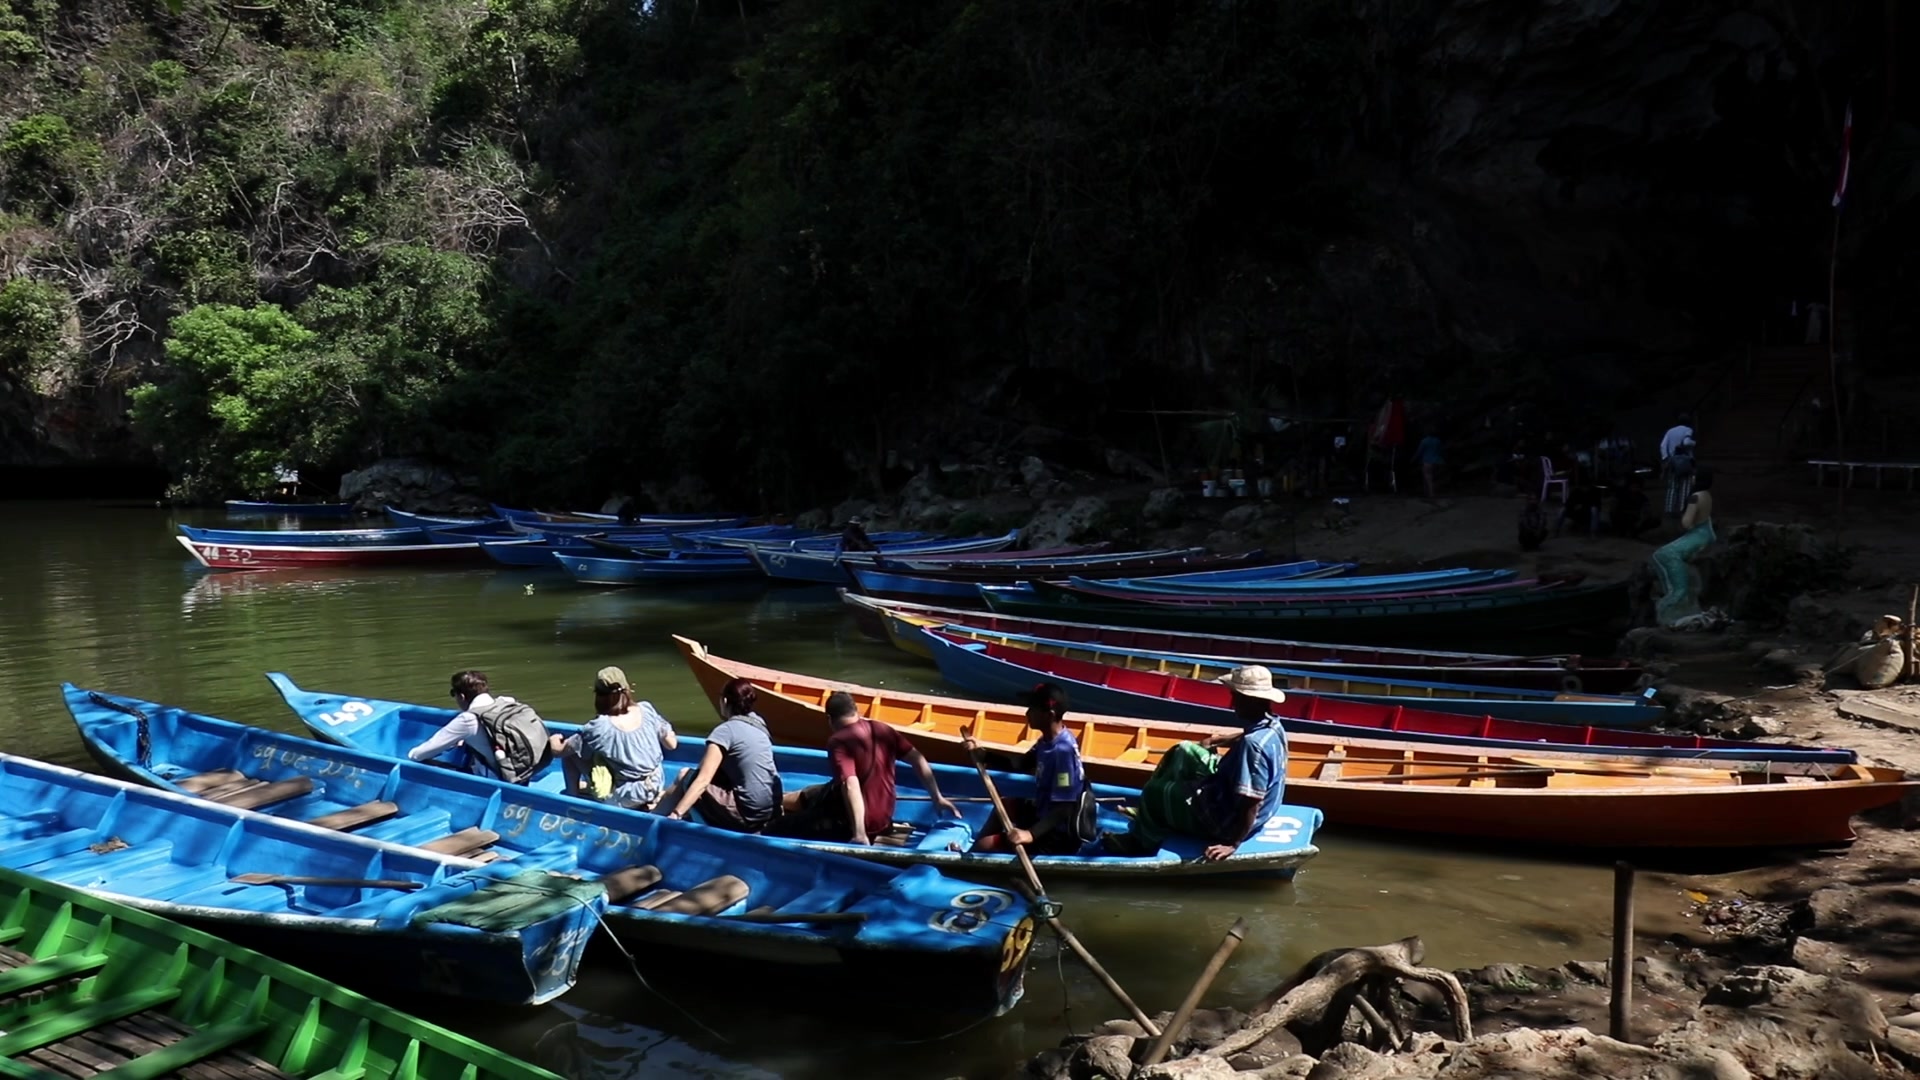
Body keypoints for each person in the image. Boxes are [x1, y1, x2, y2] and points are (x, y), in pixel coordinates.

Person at [1106, 666, 1289, 861]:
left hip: (1229, 820)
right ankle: (1154, 813)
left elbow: (1251, 802)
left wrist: (1232, 844)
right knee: (1184, 750)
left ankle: (1141, 841)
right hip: (1236, 796)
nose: (1232, 703)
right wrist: (1221, 739)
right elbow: (1249, 734)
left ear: (1249, 700)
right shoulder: (1273, 726)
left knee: (1154, 791)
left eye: (1236, 697)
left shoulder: (1252, 746)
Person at [774, 691, 960, 844]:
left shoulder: (839, 741)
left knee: (778, 827)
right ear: (857, 711)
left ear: (830, 719)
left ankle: (771, 813)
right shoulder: (882, 729)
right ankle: (780, 801)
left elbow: (851, 785)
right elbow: (918, 759)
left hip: (856, 821)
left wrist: (860, 833)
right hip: (883, 815)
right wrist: (937, 797)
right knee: (814, 792)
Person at [968, 684, 1088, 855]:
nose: (1027, 713)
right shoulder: (1046, 741)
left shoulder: (1062, 752)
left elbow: (1065, 806)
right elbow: (1021, 764)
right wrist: (985, 756)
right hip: (1043, 810)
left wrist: (1031, 834)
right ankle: (973, 852)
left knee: (985, 846)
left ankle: (977, 853)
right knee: (1005, 805)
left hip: (1058, 833)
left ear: (1050, 714)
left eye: (1032, 709)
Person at [660, 678, 781, 833]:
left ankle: (651, 818)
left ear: (724, 701)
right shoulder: (759, 724)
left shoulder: (725, 731)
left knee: (686, 776)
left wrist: (676, 814)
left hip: (747, 816)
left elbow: (703, 780)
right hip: (771, 811)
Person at [551, 666, 678, 810]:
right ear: (627, 689)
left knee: (572, 753)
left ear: (598, 696)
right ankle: (643, 797)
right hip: (655, 783)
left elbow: (558, 751)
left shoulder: (597, 727)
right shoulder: (646, 709)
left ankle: (572, 800)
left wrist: (554, 740)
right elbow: (671, 744)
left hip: (628, 795)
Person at [408, 670, 552, 784]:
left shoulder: (468, 720)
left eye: (454, 694)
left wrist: (412, 755)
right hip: (534, 766)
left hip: (504, 778)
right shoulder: (507, 702)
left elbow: (419, 755)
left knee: (427, 763)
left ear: (462, 696)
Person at [1651, 468, 1715, 627]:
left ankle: (1673, 600)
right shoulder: (1706, 495)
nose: (1691, 478)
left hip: (1697, 534)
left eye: (1694, 476)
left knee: (1661, 555)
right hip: (1705, 533)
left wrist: (1685, 520)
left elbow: (1686, 522)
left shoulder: (1694, 497)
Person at [1413, 432, 1443, 498]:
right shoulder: (1437, 440)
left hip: (1427, 462)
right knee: (1432, 478)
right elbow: (1440, 450)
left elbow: (1419, 451)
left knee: (1428, 478)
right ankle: (1427, 492)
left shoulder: (1424, 441)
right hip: (1437, 462)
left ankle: (1431, 494)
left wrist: (1414, 458)